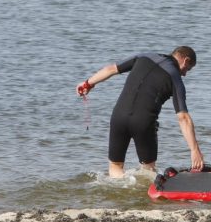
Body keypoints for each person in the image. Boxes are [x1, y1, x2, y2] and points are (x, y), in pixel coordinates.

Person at [75, 46, 204, 178]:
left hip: (118, 117)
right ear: (186, 60)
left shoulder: (144, 56)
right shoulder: (175, 77)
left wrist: (87, 84)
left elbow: (111, 69)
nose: (185, 74)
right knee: (148, 171)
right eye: (187, 69)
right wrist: (194, 150)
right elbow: (183, 117)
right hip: (143, 122)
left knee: (115, 167)